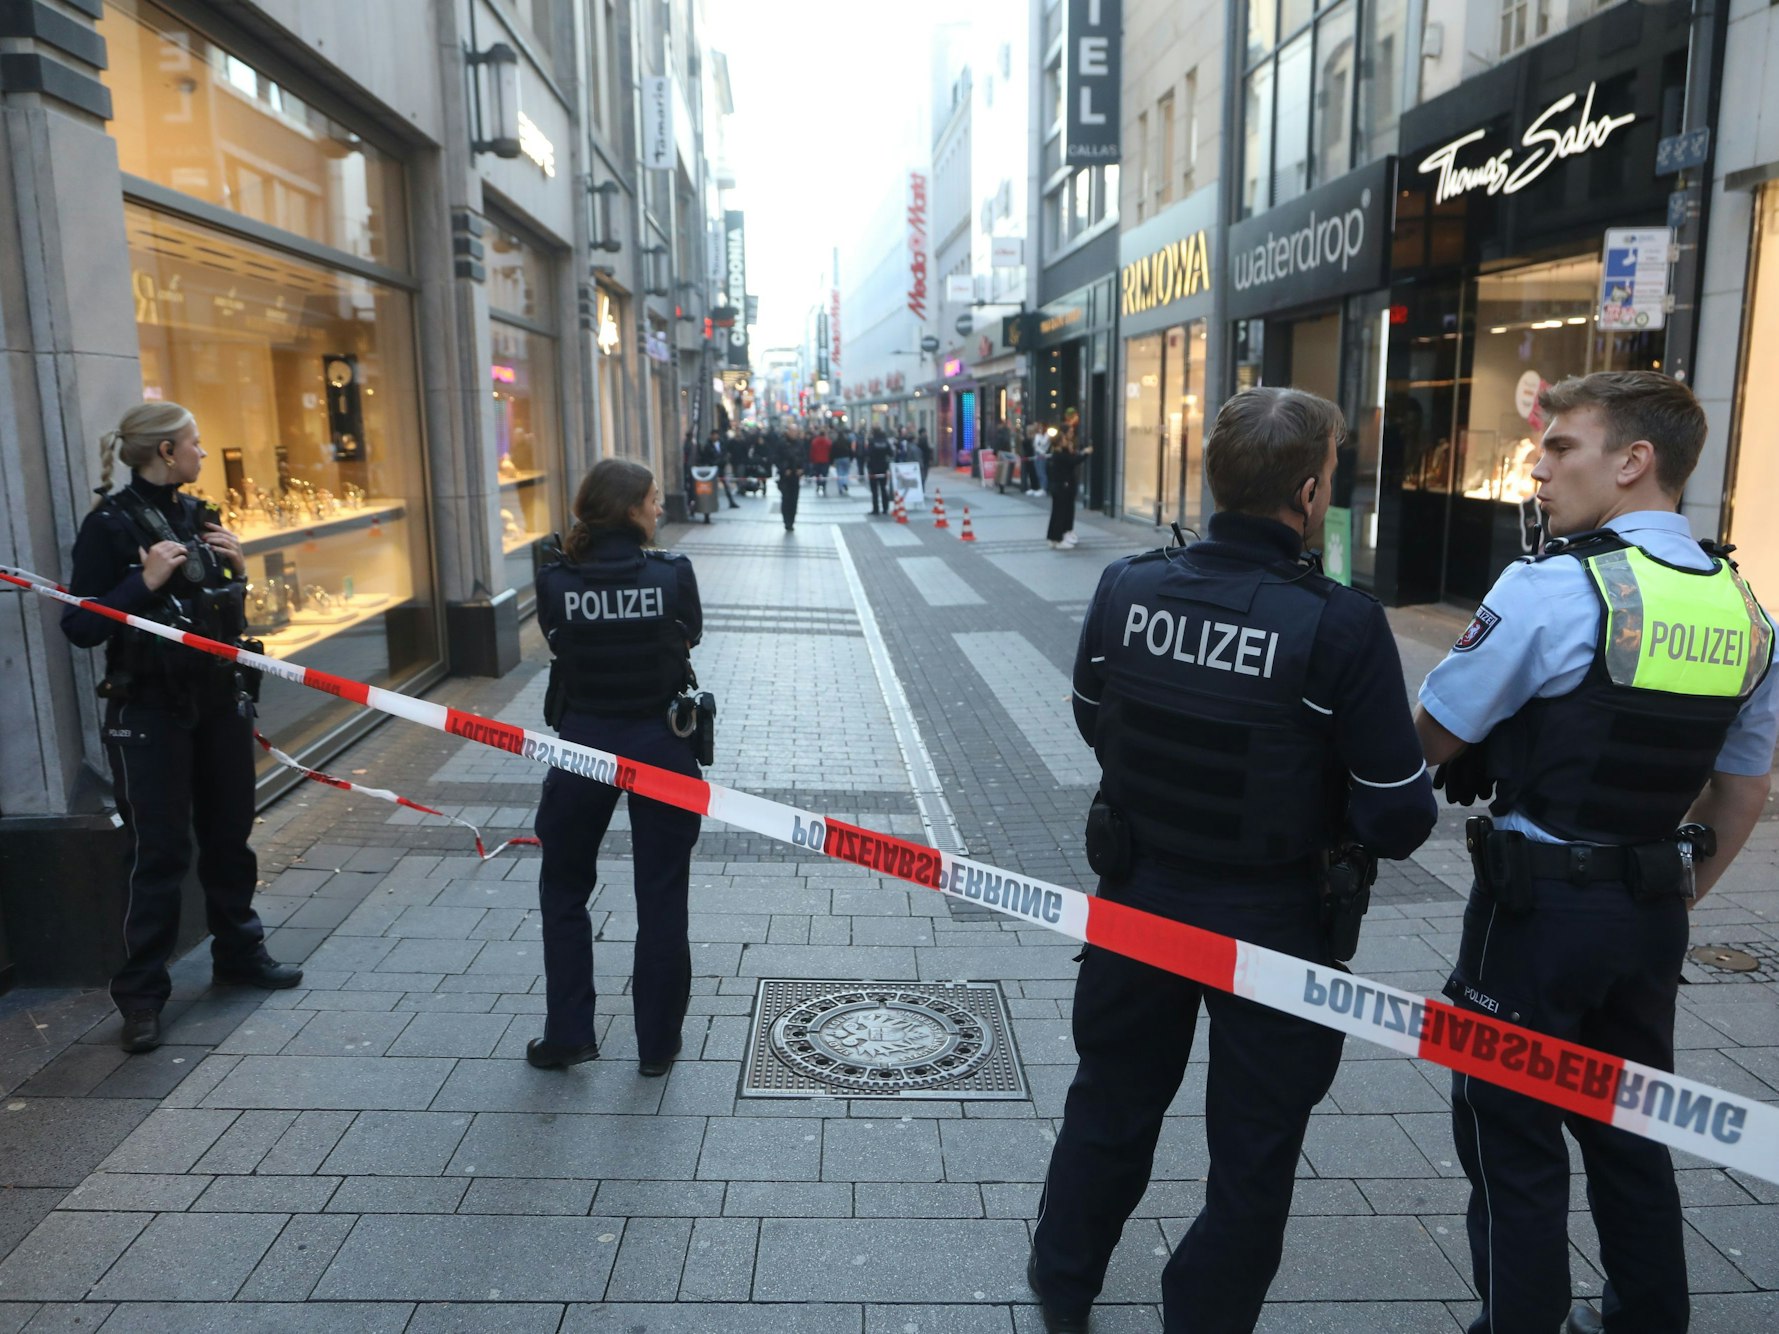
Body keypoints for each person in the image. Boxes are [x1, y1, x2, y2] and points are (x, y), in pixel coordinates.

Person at [1028, 386, 1437, 1334]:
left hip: (1137, 896)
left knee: (1109, 1101)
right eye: (1328, 475)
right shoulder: (1339, 624)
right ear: (1307, 493)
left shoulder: (1127, 587)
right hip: (1275, 917)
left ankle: (1064, 1281)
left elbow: (1093, 717)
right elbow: (1396, 814)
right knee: (1255, 1147)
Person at [1414, 371, 1778, 1334]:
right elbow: (1742, 788)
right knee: (1629, 1130)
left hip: (1534, 918)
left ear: (1632, 462)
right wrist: (1676, 892)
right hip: (1649, 913)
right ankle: (1647, 1320)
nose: (1537, 469)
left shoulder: (1552, 586)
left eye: (1560, 447)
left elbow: (1431, 738)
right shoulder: (1744, 609)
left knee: (1509, 1134)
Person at [60, 402, 302, 1055]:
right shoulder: (108, 526)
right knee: (158, 852)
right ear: (166, 451)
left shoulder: (201, 516)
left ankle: (239, 953)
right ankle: (141, 996)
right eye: (194, 442)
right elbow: (80, 626)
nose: (202, 452)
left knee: (230, 837)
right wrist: (143, 581)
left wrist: (240, 570)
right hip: (149, 711)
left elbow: (220, 615)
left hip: (219, 702)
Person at [531, 459, 703, 1076]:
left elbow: (557, 640)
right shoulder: (672, 574)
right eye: (653, 499)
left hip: (583, 747)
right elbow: (689, 636)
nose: (659, 507)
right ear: (630, 509)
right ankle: (657, 1046)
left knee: (564, 888)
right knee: (661, 893)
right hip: (661, 746)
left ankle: (568, 1034)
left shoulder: (555, 580)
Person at [1045, 427, 1087, 549]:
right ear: (1059, 442)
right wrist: (1085, 453)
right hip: (1061, 487)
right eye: (1063, 439)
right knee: (1060, 514)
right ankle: (1058, 539)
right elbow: (1073, 461)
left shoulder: (1055, 455)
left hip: (1056, 487)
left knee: (1056, 513)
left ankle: (1053, 538)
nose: (1066, 441)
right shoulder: (1060, 455)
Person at [697, 430, 740, 509]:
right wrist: (713, 463)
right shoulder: (708, 445)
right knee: (712, 486)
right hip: (712, 468)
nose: (715, 436)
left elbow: (725, 453)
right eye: (713, 435)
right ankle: (711, 503)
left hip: (721, 467)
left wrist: (723, 461)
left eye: (716, 435)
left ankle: (731, 502)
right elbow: (706, 457)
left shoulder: (722, 443)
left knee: (726, 485)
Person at [777, 426, 806, 531]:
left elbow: (804, 458)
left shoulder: (799, 444)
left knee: (794, 499)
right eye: (792, 431)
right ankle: (786, 521)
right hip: (785, 477)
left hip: (796, 476)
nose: (794, 433)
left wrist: (802, 469)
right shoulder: (782, 443)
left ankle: (791, 520)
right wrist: (784, 469)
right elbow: (777, 458)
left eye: (795, 431)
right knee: (786, 499)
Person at [866, 429, 894, 516]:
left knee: (874, 490)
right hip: (883, 468)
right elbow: (891, 453)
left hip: (873, 468)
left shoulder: (872, 442)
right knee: (883, 488)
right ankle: (885, 508)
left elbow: (868, 454)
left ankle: (876, 509)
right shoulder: (885, 442)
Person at [809, 425, 832, 497]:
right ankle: (823, 486)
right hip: (825, 460)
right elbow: (830, 451)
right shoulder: (828, 441)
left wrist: (812, 459)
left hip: (816, 461)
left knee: (817, 474)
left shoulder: (814, 441)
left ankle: (818, 485)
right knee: (825, 475)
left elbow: (812, 451)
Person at [1031, 420, 1052, 496]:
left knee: (1041, 471)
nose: (1040, 428)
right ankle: (1040, 487)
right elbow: (1035, 444)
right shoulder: (1038, 435)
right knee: (1037, 471)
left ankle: (1044, 488)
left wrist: (1038, 443)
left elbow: (1043, 443)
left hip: (1042, 454)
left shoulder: (1047, 435)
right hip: (1037, 453)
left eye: (1041, 427)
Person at [832, 429, 854, 497]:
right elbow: (851, 451)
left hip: (838, 459)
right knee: (846, 472)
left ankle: (840, 487)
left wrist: (832, 460)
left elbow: (833, 452)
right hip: (846, 458)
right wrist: (851, 458)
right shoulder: (847, 441)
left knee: (839, 473)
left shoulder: (835, 442)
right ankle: (845, 483)